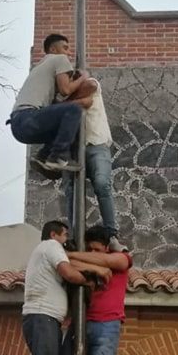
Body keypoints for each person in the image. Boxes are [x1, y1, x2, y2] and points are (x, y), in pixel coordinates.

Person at [20, 220, 106, 355]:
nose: (67, 240)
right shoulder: (51, 246)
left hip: (47, 319)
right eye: (65, 235)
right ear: (54, 234)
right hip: (43, 316)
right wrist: (88, 280)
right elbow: (68, 272)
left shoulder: (43, 253)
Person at [9, 33, 99, 173]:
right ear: (53, 49)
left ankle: (44, 157)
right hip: (27, 116)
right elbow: (65, 90)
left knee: (64, 125)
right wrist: (83, 77)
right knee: (73, 110)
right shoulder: (59, 59)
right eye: (65, 48)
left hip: (19, 128)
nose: (68, 53)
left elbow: (57, 107)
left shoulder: (40, 69)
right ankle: (57, 156)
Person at [67, 226, 133, 355]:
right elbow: (65, 262)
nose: (93, 253)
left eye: (97, 249)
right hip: (81, 322)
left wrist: (78, 258)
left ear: (106, 248)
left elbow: (114, 261)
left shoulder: (122, 258)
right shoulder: (86, 260)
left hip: (108, 325)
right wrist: (94, 267)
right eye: (89, 249)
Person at [59, 79, 126, 251]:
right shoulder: (59, 94)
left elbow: (90, 86)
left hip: (97, 144)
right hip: (73, 150)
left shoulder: (89, 84)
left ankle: (112, 235)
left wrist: (66, 104)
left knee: (102, 184)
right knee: (70, 191)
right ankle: (73, 238)